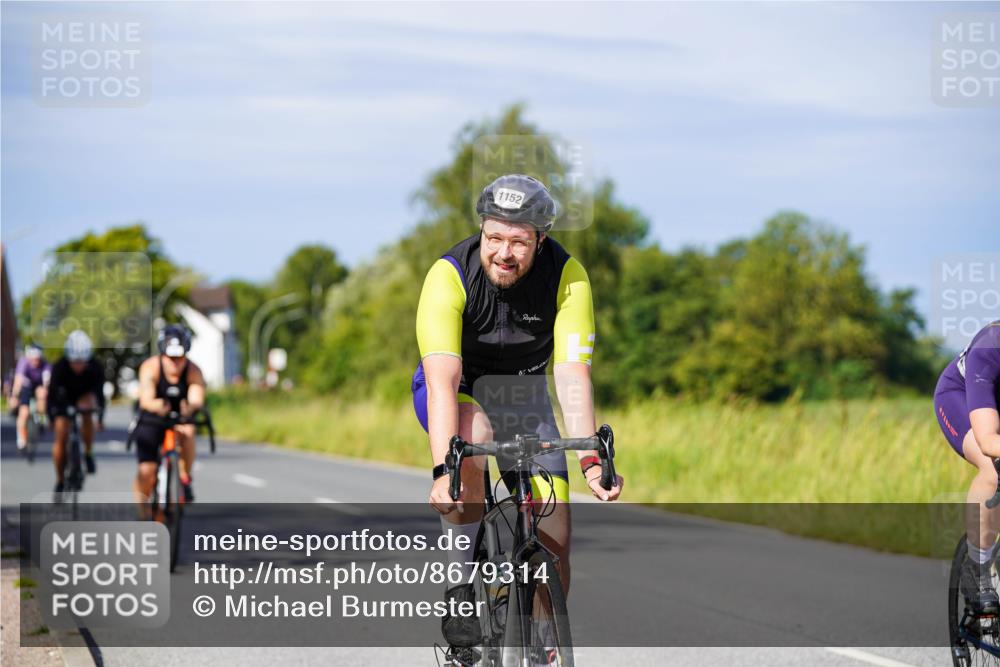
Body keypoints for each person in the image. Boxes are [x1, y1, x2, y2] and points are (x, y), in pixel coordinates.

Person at [412, 174, 624, 660]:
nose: (503, 252)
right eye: (494, 238)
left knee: (557, 539)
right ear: (481, 231)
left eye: (519, 241)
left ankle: (543, 648)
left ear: (540, 240)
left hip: (526, 399)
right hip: (458, 390)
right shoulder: (449, 274)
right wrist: (445, 472)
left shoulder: (567, 277)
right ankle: (461, 588)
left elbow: (572, 375)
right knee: (474, 438)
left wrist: (591, 461)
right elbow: (442, 379)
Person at [935, 321, 1000, 613]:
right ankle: (978, 566)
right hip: (960, 398)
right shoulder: (990, 347)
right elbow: (987, 440)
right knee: (992, 468)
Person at [131, 324, 206, 508]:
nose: (175, 363)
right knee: (147, 470)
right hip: (152, 417)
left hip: (179, 416)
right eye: (170, 358)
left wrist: (188, 408)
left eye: (179, 358)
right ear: (162, 355)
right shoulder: (150, 367)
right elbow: (146, 399)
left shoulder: (193, 371)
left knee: (188, 431)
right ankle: (142, 512)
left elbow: (196, 399)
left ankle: (184, 477)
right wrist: (158, 405)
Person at [48, 330, 105, 494]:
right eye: (75, 362)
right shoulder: (59, 367)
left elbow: (100, 396)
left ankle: (88, 452)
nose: (79, 366)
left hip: (84, 398)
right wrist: (52, 417)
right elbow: (51, 395)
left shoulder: (96, 367)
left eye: (82, 362)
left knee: (87, 414)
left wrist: (100, 418)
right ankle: (60, 480)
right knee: (61, 435)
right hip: (63, 400)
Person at [9, 343, 51, 453]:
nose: (35, 362)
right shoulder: (23, 363)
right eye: (33, 359)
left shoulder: (45, 365)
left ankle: (40, 419)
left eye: (37, 359)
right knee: (24, 412)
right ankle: (21, 440)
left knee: (42, 393)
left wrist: (46, 390)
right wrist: (14, 396)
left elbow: (47, 381)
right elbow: (18, 381)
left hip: (38, 386)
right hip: (26, 387)